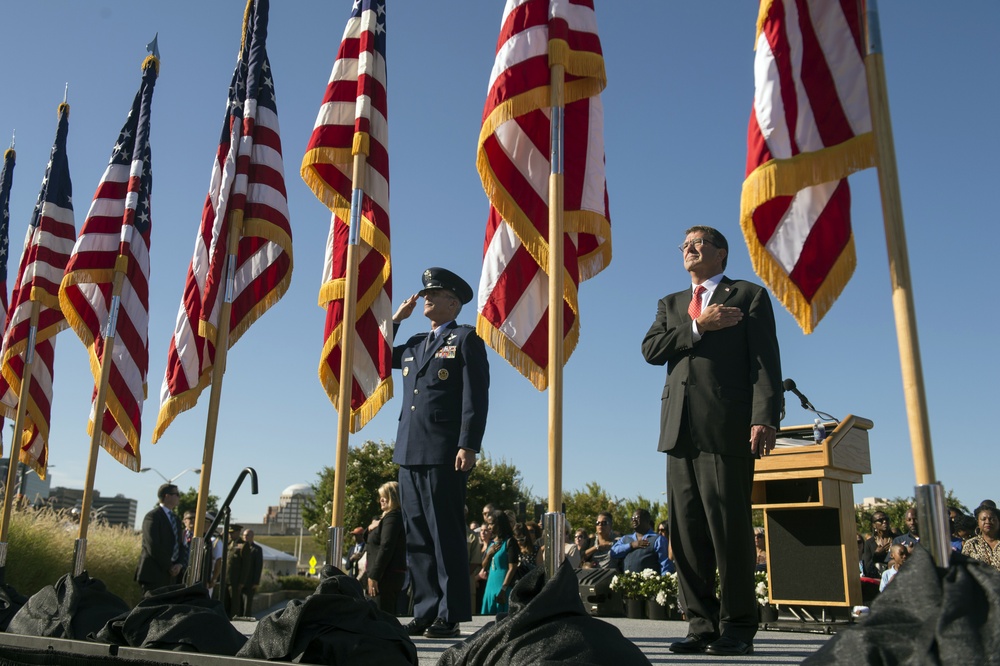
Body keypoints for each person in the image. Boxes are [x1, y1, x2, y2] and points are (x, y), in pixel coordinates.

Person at [642, 225, 782, 657]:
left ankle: (738, 626)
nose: (689, 249)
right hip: (678, 430)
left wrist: (765, 416)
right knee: (685, 535)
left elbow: (764, 361)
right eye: (684, 244)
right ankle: (700, 625)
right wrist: (698, 326)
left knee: (729, 531)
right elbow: (651, 350)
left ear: (721, 253)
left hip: (726, 427)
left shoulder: (748, 295)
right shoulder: (673, 304)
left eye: (699, 243)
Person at [391, 267, 490, 639]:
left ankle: (449, 614)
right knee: (416, 536)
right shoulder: (414, 343)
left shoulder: (465, 339)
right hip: (409, 450)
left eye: (434, 293)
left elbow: (475, 396)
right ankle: (425, 608)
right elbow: (376, 353)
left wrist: (469, 443)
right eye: (425, 293)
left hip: (445, 451)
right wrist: (395, 321)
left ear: (454, 302)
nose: (425, 298)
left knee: (444, 534)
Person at [366, 481, 407, 615]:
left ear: (394, 497)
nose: (381, 500)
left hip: (385, 577)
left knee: (381, 617)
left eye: (385, 496)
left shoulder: (393, 518)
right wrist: (370, 528)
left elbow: (386, 547)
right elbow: (369, 539)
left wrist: (374, 575)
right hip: (384, 575)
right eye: (381, 497)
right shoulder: (384, 519)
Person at [135, 483, 184, 595]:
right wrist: (169, 566)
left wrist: (179, 564)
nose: (179, 497)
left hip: (172, 576)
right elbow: (152, 544)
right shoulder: (153, 516)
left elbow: (180, 543)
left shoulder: (176, 519)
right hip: (154, 573)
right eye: (176, 494)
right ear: (167, 496)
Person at [610, 508, 674, 574]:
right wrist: (631, 545)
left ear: (647, 520)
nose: (634, 520)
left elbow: (665, 565)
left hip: (649, 583)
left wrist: (665, 580)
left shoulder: (658, 539)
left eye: (637, 518)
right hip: (628, 583)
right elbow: (614, 552)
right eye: (632, 518)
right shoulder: (625, 538)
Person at [481, 511, 518, 615]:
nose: (489, 527)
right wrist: (489, 554)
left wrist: (503, 589)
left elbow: (513, 567)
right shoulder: (492, 542)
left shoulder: (510, 542)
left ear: (500, 524)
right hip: (489, 587)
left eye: (491, 523)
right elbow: (484, 567)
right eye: (488, 523)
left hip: (503, 589)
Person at [962, 505, 1000, 571]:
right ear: (978, 523)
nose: (987, 522)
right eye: (983, 519)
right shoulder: (971, 544)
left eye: (992, 519)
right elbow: (964, 569)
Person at [861, 511, 896, 577]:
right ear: (874, 525)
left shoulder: (897, 539)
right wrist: (876, 555)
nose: (884, 521)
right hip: (877, 582)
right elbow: (866, 569)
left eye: (886, 519)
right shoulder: (869, 543)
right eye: (880, 520)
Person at [238, 529, 264, 616]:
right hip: (239, 579)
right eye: (244, 535)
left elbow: (258, 566)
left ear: (252, 537)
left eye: (247, 535)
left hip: (250, 581)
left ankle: (246, 616)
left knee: (248, 602)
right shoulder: (239, 547)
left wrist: (256, 582)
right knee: (238, 601)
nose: (245, 537)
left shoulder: (257, 549)